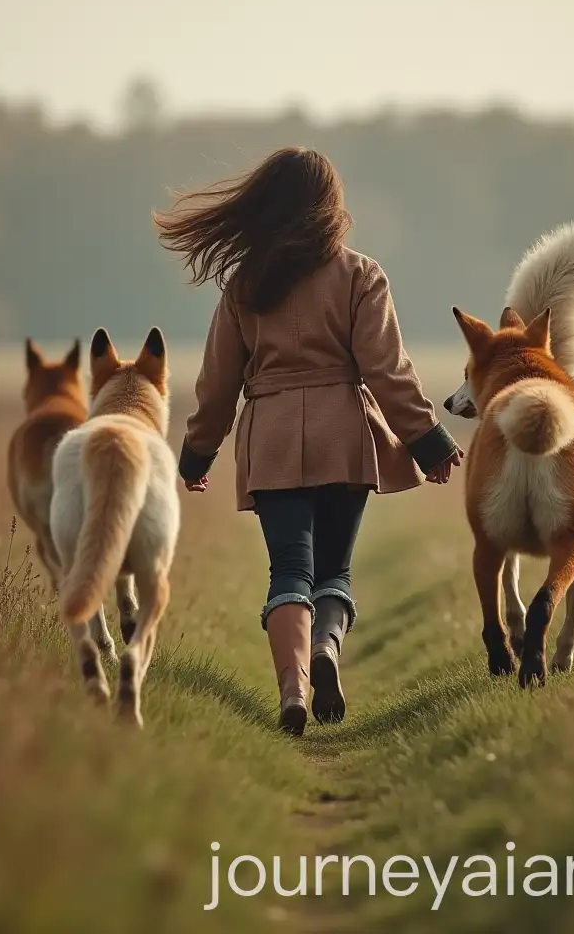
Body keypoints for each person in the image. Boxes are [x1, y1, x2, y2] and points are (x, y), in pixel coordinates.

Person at [153, 147, 462, 737]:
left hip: (270, 437)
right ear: (329, 206)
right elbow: (386, 368)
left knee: (287, 571)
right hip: (344, 436)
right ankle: (326, 647)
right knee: (333, 574)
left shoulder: (244, 286)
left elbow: (216, 385)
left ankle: (292, 688)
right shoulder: (360, 274)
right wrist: (427, 440)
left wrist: (197, 454)